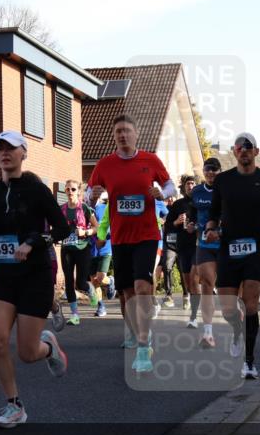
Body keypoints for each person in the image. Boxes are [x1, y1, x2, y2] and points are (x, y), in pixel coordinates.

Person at [0, 130, 71, 428]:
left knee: (28, 353)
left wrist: (33, 241)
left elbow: (63, 228)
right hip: (4, 276)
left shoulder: (37, 190)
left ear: (24, 153)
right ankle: (14, 406)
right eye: (0, 149)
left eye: (11, 148)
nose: (5, 153)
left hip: (35, 276)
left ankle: (48, 348)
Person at [87, 114, 176, 373]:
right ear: (114, 136)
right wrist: (92, 196)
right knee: (127, 294)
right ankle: (139, 335)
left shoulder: (150, 160)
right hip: (120, 237)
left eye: (127, 130)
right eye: (118, 132)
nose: (123, 135)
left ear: (136, 134)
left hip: (147, 236)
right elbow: (89, 194)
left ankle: (143, 346)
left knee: (142, 287)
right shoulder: (105, 164)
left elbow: (171, 186)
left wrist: (163, 193)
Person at [205, 133, 260, 380]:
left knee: (250, 303)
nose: (244, 151)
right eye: (240, 147)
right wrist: (210, 230)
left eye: (248, 147)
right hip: (228, 246)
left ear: (256, 152)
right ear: (234, 151)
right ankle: (237, 330)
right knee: (228, 308)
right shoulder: (223, 181)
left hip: (256, 247)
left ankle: (249, 361)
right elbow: (213, 213)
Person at [188, 157, 222, 347]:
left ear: (220, 172)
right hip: (204, 245)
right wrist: (191, 224)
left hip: (225, 244)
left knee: (228, 287)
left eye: (214, 169)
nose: (210, 172)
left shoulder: (226, 190)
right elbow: (192, 213)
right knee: (207, 283)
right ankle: (208, 333)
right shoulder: (197, 192)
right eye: (207, 169)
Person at [58, 179, 100, 326]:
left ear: (79, 192)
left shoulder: (84, 208)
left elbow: (96, 227)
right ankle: (74, 314)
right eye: (67, 189)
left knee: (81, 283)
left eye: (73, 189)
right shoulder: (61, 209)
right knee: (69, 281)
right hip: (67, 249)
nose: (70, 192)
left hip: (83, 248)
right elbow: (57, 227)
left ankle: (90, 290)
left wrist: (86, 232)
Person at [170, 175, 199, 326]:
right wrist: (176, 222)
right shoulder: (178, 205)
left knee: (194, 279)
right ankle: (193, 302)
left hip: (198, 246)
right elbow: (168, 226)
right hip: (183, 246)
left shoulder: (201, 202)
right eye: (188, 183)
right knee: (188, 282)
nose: (190, 186)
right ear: (184, 187)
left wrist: (197, 227)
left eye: (193, 183)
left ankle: (194, 316)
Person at [89, 192, 114, 317]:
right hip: (91, 249)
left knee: (99, 278)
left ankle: (110, 281)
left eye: (95, 195)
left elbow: (109, 227)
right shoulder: (85, 208)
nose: (93, 197)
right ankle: (101, 306)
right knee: (94, 280)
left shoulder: (106, 207)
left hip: (105, 248)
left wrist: (103, 233)